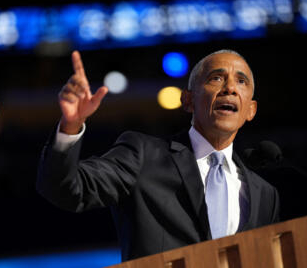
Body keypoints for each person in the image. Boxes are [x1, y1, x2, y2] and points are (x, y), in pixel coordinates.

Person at [37, 49, 280, 262]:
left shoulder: (264, 194)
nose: (229, 88)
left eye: (241, 81)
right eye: (216, 78)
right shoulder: (143, 155)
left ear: (251, 110)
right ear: (188, 100)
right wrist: (70, 127)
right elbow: (66, 190)